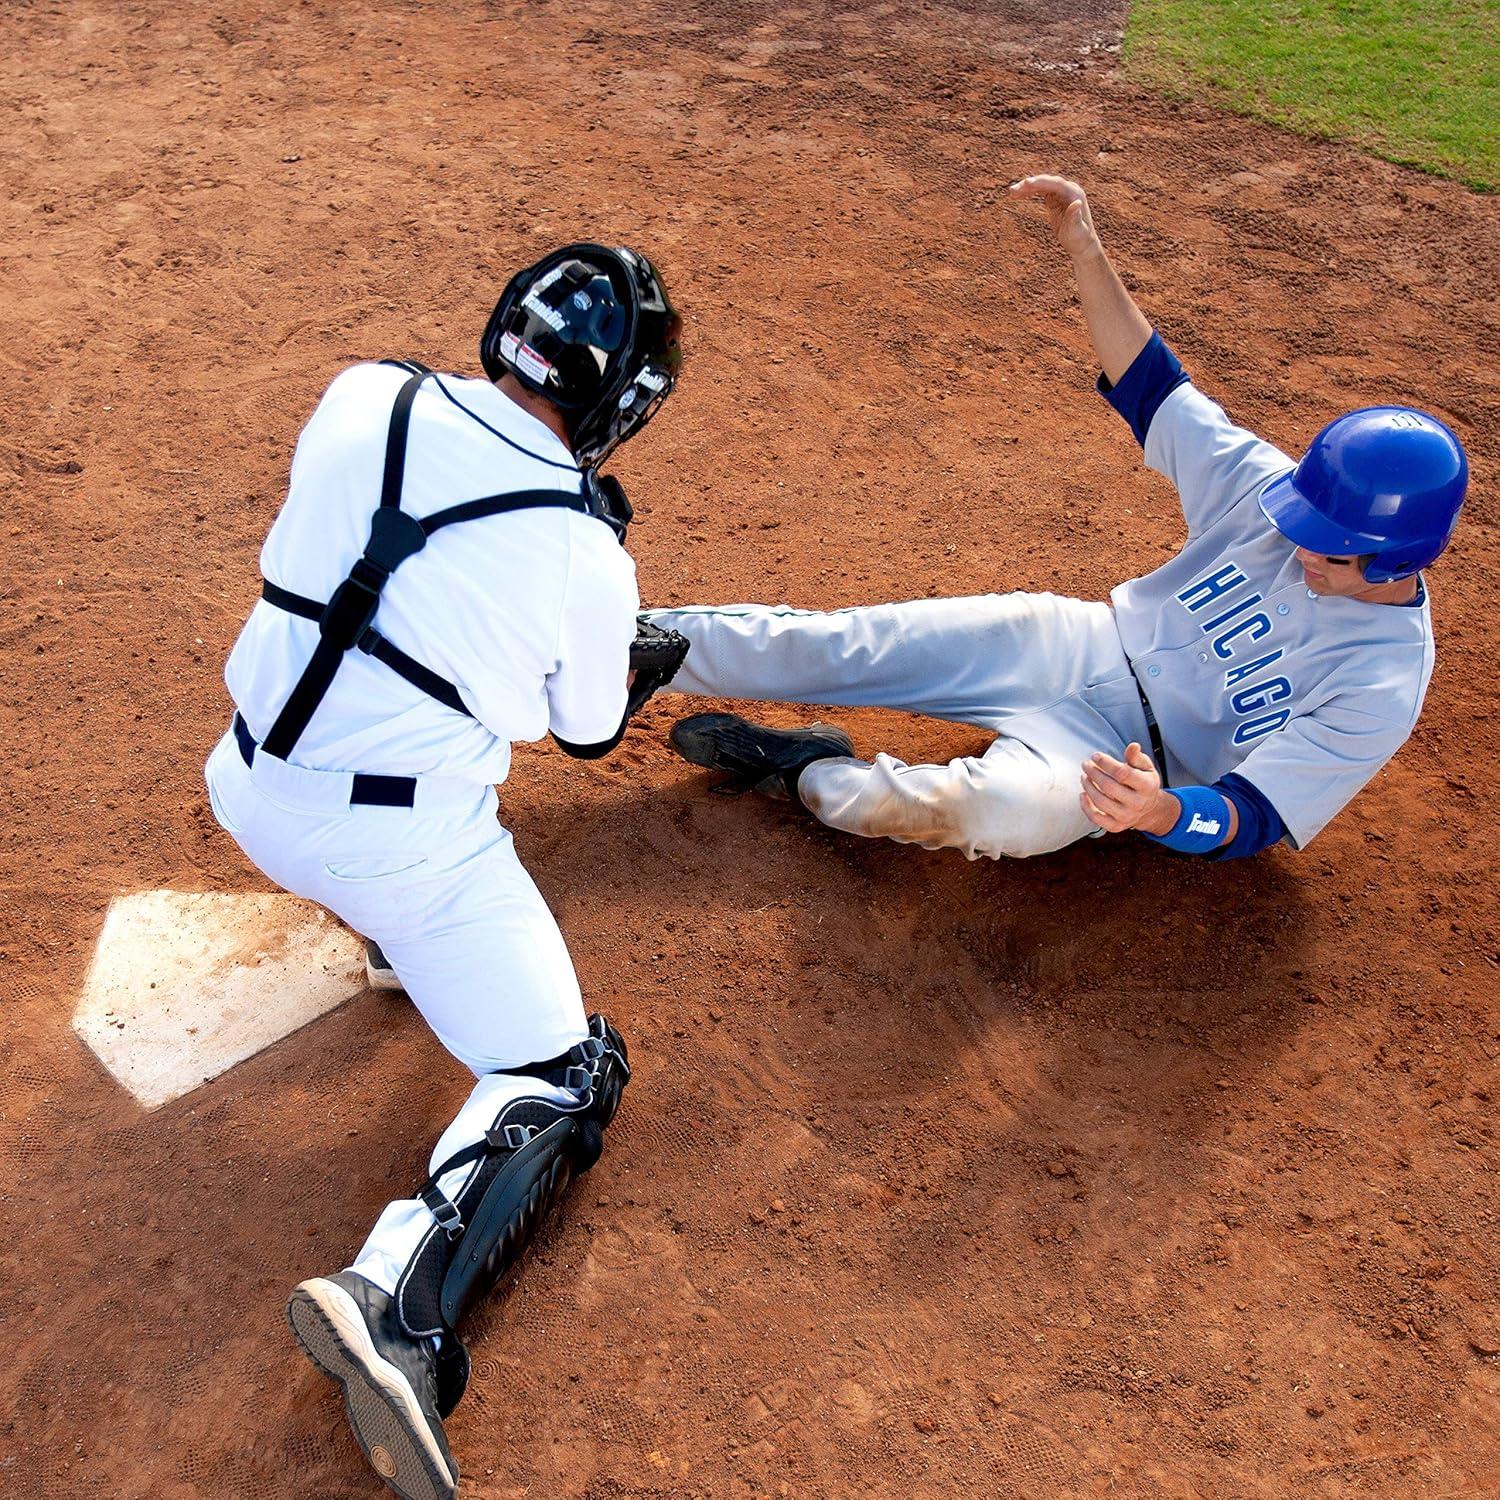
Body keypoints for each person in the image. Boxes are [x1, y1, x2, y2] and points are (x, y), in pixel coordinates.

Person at [204, 244, 682, 1500]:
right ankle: (400, 1309)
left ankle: (396, 941)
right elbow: (579, 732)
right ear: (623, 405)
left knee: (392, 710)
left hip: (245, 782)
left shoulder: (364, 391)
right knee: (566, 1070)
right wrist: (624, 633)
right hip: (390, 844)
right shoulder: (587, 553)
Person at [649, 175, 1467, 863]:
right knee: (831, 647)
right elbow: (1154, 387)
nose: (1301, 545)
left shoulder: (1380, 682)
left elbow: (1254, 817)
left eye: (1331, 549)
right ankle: (618, 638)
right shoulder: (1273, 495)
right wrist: (1083, 244)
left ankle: (807, 771)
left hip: (1115, 764)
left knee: (984, 817)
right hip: (1071, 641)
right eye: (1302, 520)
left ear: (1396, 562)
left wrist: (1159, 811)